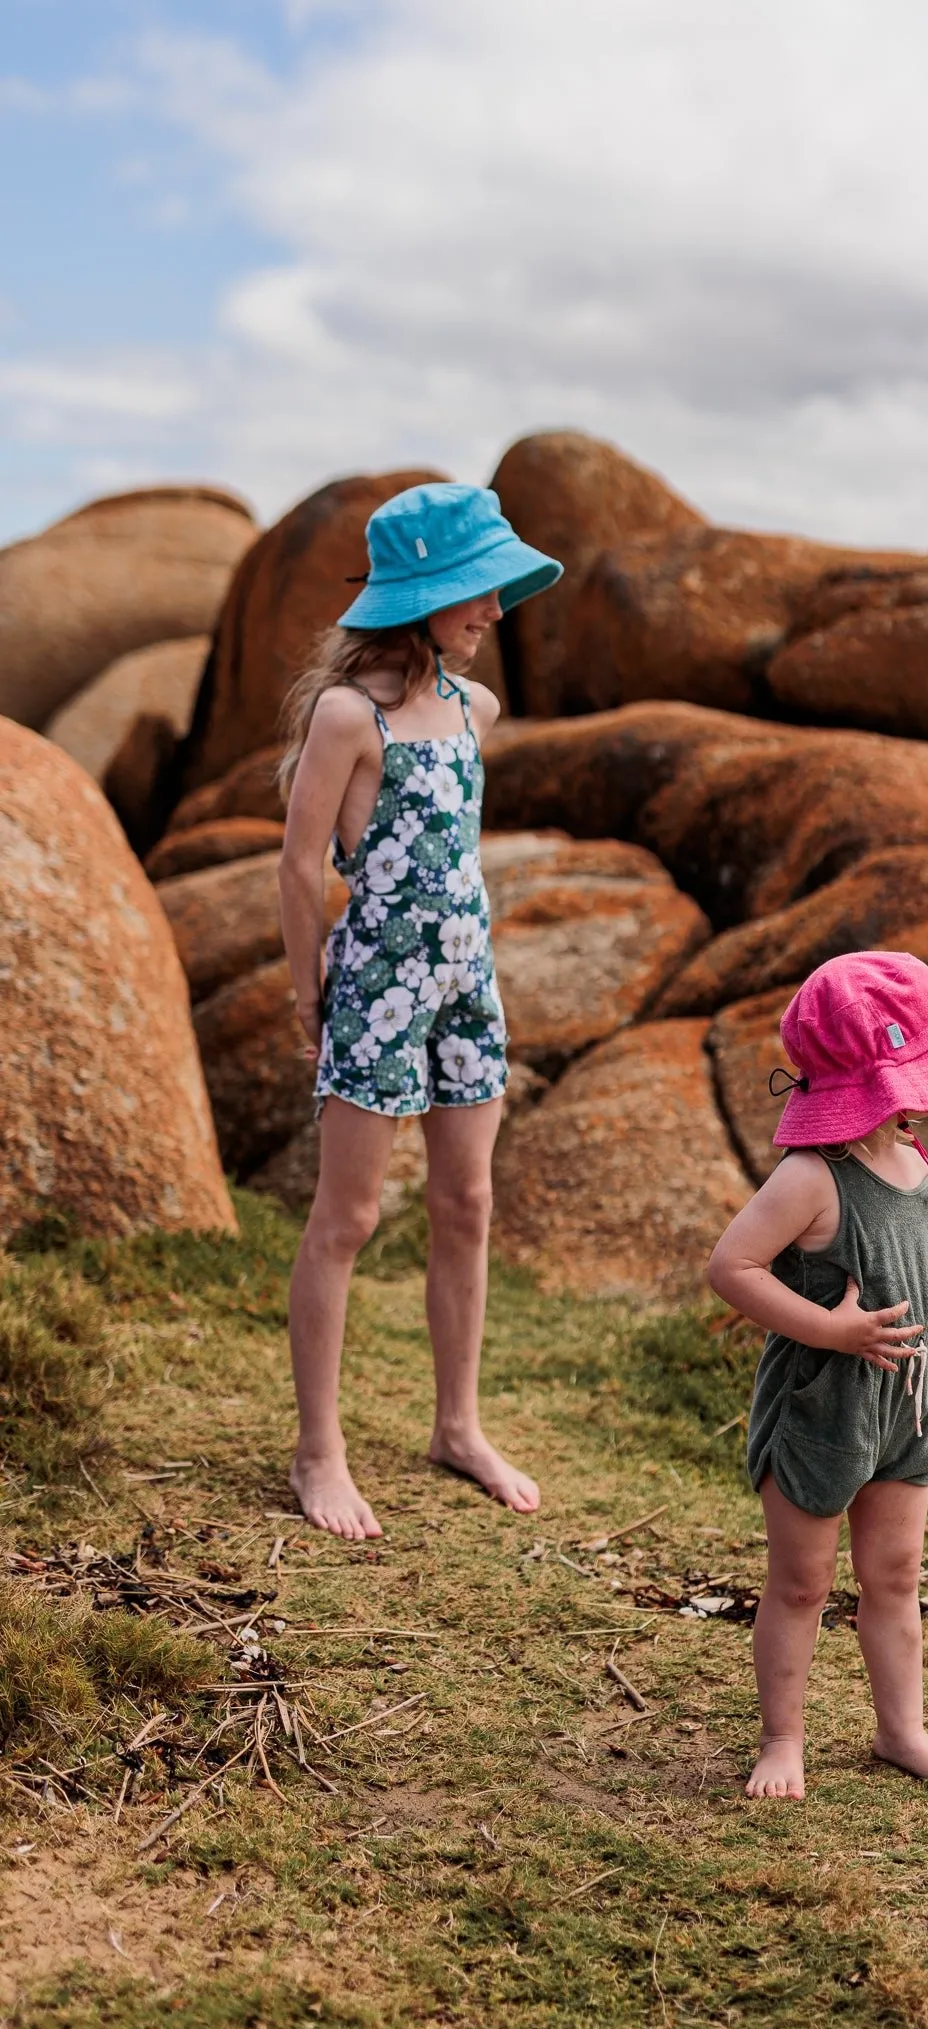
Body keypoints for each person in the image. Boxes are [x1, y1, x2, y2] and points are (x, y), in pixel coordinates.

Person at [276, 481, 562, 1540]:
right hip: (379, 992)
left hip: (465, 988)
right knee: (347, 1218)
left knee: (467, 1204)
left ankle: (458, 1424)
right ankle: (318, 1451)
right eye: (477, 591)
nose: (495, 610)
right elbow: (301, 865)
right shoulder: (353, 715)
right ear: (424, 596)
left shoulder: (475, 710)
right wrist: (310, 993)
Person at [707, 951, 928, 1803]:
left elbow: (901, 1253)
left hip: (904, 1404)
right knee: (802, 1582)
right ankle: (781, 1737)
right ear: (882, 1072)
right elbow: (732, 1267)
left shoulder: (913, 1158)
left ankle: (900, 1731)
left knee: (894, 1578)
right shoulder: (809, 1177)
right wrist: (832, 1331)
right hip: (820, 1404)